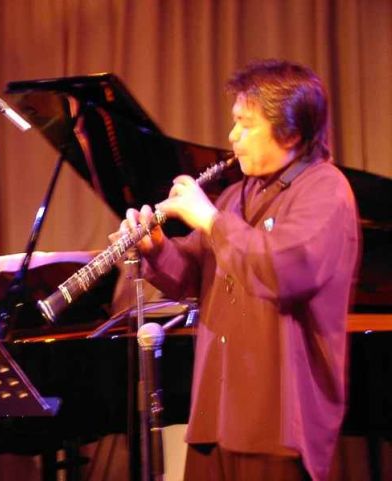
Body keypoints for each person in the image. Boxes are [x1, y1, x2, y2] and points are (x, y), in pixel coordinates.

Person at [121, 60, 360, 481]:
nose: (232, 136)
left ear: (290, 132)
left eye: (246, 125)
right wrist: (156, 248)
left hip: (276, 423)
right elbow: (192, 273)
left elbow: (281, 268)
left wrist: (210, 220)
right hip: (216, 416)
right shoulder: (235, 195)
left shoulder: (325, 190)